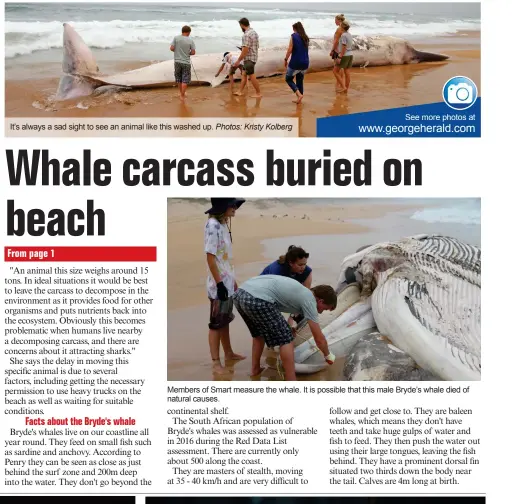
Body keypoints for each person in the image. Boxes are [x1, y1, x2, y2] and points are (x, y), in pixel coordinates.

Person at [234, 276, 337, 381]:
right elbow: (319, 339)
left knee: (259, 334)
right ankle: (291, 380)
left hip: (240, 294)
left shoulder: (301, 292)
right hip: (257, 299)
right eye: (324, 309)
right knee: (287, 339)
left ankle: (255, 369)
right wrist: (328, 356)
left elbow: (276, 308)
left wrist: (287, 327)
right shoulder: (310, 300)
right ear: (320, 301)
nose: (320, 312)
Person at [204, 198, 247, 374]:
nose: (235, 208)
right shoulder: (213, 225)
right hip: (218, 284)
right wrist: (220, 283)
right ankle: (215, 362)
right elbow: (210, 257)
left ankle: (228, 353)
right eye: (232, 205)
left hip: (227, 281)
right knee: (216, 324)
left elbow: (224, 258)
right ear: (223, 207)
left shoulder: (222, 224)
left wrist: (232, 280)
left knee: (225, 320)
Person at [261, 245, 312, 328]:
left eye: (305, 264)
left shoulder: (307, 271)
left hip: (285, 289)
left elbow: (306, 295)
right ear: (291, 263)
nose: (303, 267)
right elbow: (275, 298)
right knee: (275, 324)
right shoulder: (277, 270)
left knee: (302, 314)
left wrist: (294, 313)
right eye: (300, 265)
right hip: (264, 293)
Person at [233, 18, 262, 98]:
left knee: (251, 75)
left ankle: (258, 93)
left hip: (249, 58)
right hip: (254, 56)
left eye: (240, 26)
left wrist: (238, 60)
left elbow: (245, 50)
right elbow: (256, 46)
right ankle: (240, 91)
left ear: (242, 25)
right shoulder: (254, 33)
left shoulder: (246, 35)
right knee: (244, 74)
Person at [284, 22, 310, 104]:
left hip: (296, 62)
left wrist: (285, 59)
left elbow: (290, 49)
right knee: (299, 80)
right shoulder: (305, 37)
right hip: (305, 62)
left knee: (288, 79)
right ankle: (299, 98)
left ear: (295, 29)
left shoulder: (293, 36)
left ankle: (299, 95)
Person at [170, 25, 196, 101]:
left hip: (177, 61)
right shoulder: (190, 40)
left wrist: (177, 51)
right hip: (186, 62)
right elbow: (193, 52)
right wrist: (188, 53)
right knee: (185, 79)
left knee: (179, 78)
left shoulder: (176, 38)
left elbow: (171, 48)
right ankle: (182, 95)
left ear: (182, 31)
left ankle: (181, 93)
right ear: (188, 32)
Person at [334, 20, 354, 93]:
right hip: (350, 54)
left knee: (335, 71)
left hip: (344, 55)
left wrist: (340, 56)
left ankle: (343, 87)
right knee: (347, 72)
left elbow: (344, 46)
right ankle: (346, 88)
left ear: (342, 27)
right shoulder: (349, 34)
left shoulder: (343, 35)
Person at [330, 14, 345, 91]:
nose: (335, 22)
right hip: (341, 50)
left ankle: (339, 84)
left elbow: (336, 41)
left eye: (335, 20)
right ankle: (339, 83)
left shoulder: (339, 29)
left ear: (339, 20)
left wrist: (332, 50)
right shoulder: (344, 29)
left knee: (336, 69)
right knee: (340, 68)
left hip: (337, 50)